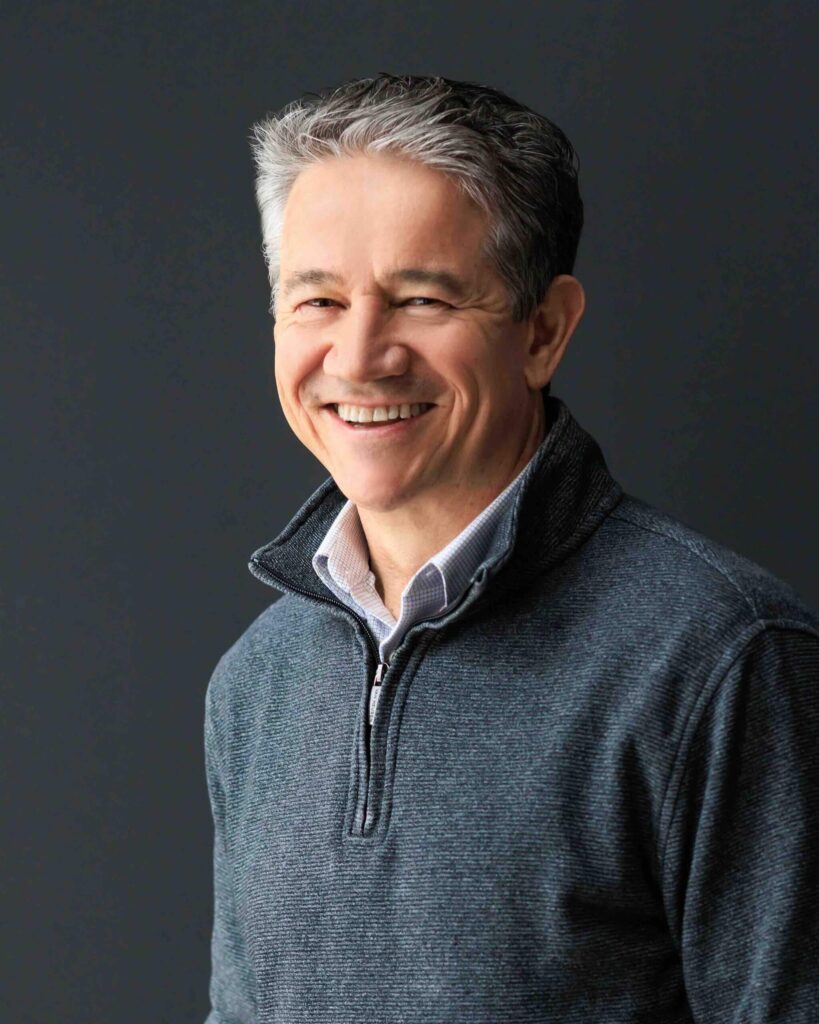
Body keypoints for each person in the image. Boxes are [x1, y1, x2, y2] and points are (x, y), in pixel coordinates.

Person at [203, 73, 819, 1023]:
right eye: (317, 301)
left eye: (420, 298)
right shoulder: (256, 682)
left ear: (542, 332)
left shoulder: (721, 656)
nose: (361, 356)